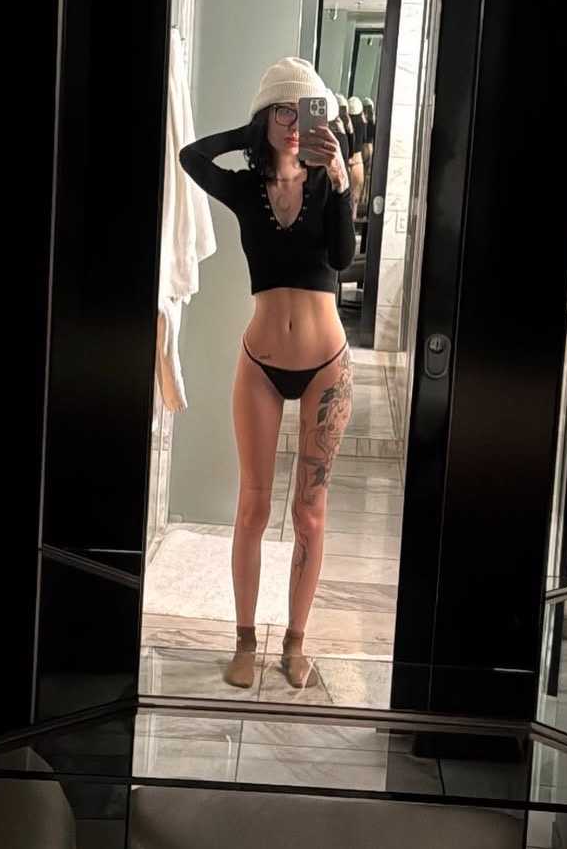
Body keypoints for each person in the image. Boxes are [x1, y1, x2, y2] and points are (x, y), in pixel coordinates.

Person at [178, 57, 356, 689]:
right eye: (284, 109)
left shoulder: (328, 184)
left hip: (326, 368)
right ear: (267, 116)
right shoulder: (246, 187)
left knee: (309, 512)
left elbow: (343, 257)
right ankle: (245, 641)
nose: (294, 122)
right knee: (252, 508)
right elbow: (192, 157)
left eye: (305, 109)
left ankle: (295, 643)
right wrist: (252, 131)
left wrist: (341, 178)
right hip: (259, 365)